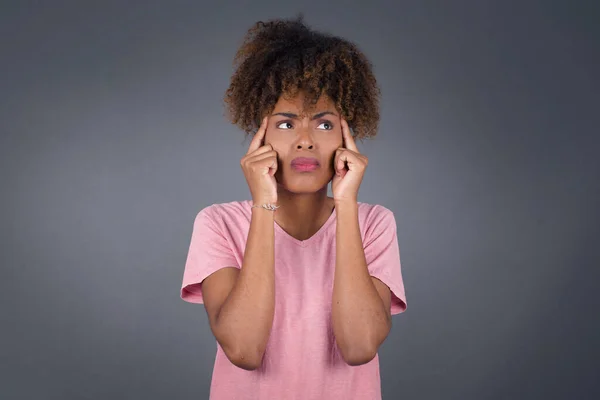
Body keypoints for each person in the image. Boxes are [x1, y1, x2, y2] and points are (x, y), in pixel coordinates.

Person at [180, 15, 407, 400]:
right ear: (261, 135)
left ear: (346, 135)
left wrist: (347, 203)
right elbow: (244, 349)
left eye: (323, 125)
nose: (304, 141)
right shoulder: (218, 223)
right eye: (286, 125)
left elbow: (358, 347)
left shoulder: (373, 223)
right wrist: (263, 203)